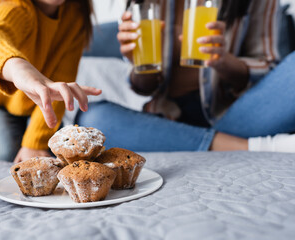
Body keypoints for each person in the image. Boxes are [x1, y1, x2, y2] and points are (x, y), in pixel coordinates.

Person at [76, 0, 295, 153]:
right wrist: (140, 65)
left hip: (235, 115)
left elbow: (271, 69)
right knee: (93, 120)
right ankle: (248, 147)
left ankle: (201, 144)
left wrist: (225, 62)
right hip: (166, 122)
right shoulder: (142, 4)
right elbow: (143, 88)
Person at [0, 0, 102, 162]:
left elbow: (59, 86)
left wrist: (35, 144)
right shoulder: (15, 6)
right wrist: (19, 69)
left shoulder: (75, 16)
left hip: (40, 105)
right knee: (2, 155)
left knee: (51, 154)